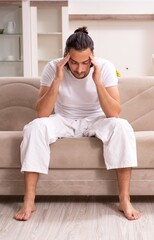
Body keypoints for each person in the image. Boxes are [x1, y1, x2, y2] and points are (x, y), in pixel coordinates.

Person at [14, 27, 141, 221]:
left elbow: (113, 112)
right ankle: (29, 201)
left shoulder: (104, 67)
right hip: (64, 119)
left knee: (122, 126)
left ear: (93, 56)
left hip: (96, 120)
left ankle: (124, 199)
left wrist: (97, 82)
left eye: (85, 63)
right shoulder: (53, 67)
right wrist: (58, 79)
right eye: (73, 63)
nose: (80, 69)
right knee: (35, 127)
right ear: (66, 56)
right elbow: (42, 112)